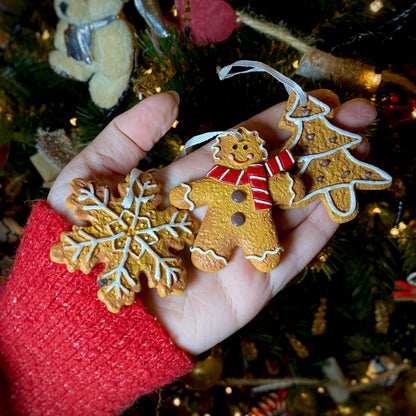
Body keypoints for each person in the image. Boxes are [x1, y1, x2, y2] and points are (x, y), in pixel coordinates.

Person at [0, 90, 376, 415]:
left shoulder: (260, 173)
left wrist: (40, 329)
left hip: (254, 223)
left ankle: (259, 251)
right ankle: (223, 252)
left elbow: (280, 185)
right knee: (214, 245)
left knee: (265, 247)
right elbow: (199, 193)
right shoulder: (222, 178)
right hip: (207, 231)